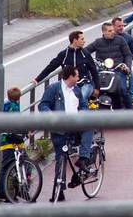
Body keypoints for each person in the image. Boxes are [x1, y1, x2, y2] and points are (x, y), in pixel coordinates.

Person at [39, 66, 94, 202]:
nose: (78, 78)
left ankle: (83, 158)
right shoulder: (54, 88)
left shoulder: (76, 89)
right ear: (70, 77)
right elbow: (43, 105)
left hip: (74, 126)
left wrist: (82, 114)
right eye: (76, 76)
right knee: (60, 157)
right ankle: (59, 190)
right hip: (59, 129)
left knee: (89, 127)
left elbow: (83, 106)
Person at [34, 31, 100, 102]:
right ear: (75, 40)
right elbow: (50, 67)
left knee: (81, 98)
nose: (84, 41)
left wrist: (97, 88)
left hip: (85, 84)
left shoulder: (86, 54)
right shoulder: (63, 55)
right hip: (68, 86)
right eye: (82, 39)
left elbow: (94, 71)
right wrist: (37, 79)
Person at [86, 22, 133, 110]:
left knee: (122, 89)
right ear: (103, 32)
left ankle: (131, 112)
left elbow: (128, 55)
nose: (112, 32)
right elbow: (85, 52)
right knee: (94, 91)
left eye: (112, 30)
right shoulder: (98, 42)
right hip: (102, 71)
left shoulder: (120, 40)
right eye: (109, 31)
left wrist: (127, 66)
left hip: (118, 70)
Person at [0, 87, 24, 202]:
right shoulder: (15, 107)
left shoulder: (6, 105)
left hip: (5, 139)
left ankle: (13, 191)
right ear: (18, 98)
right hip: (11, 140)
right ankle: (2, 192)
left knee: (9, 166)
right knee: (9, 166)